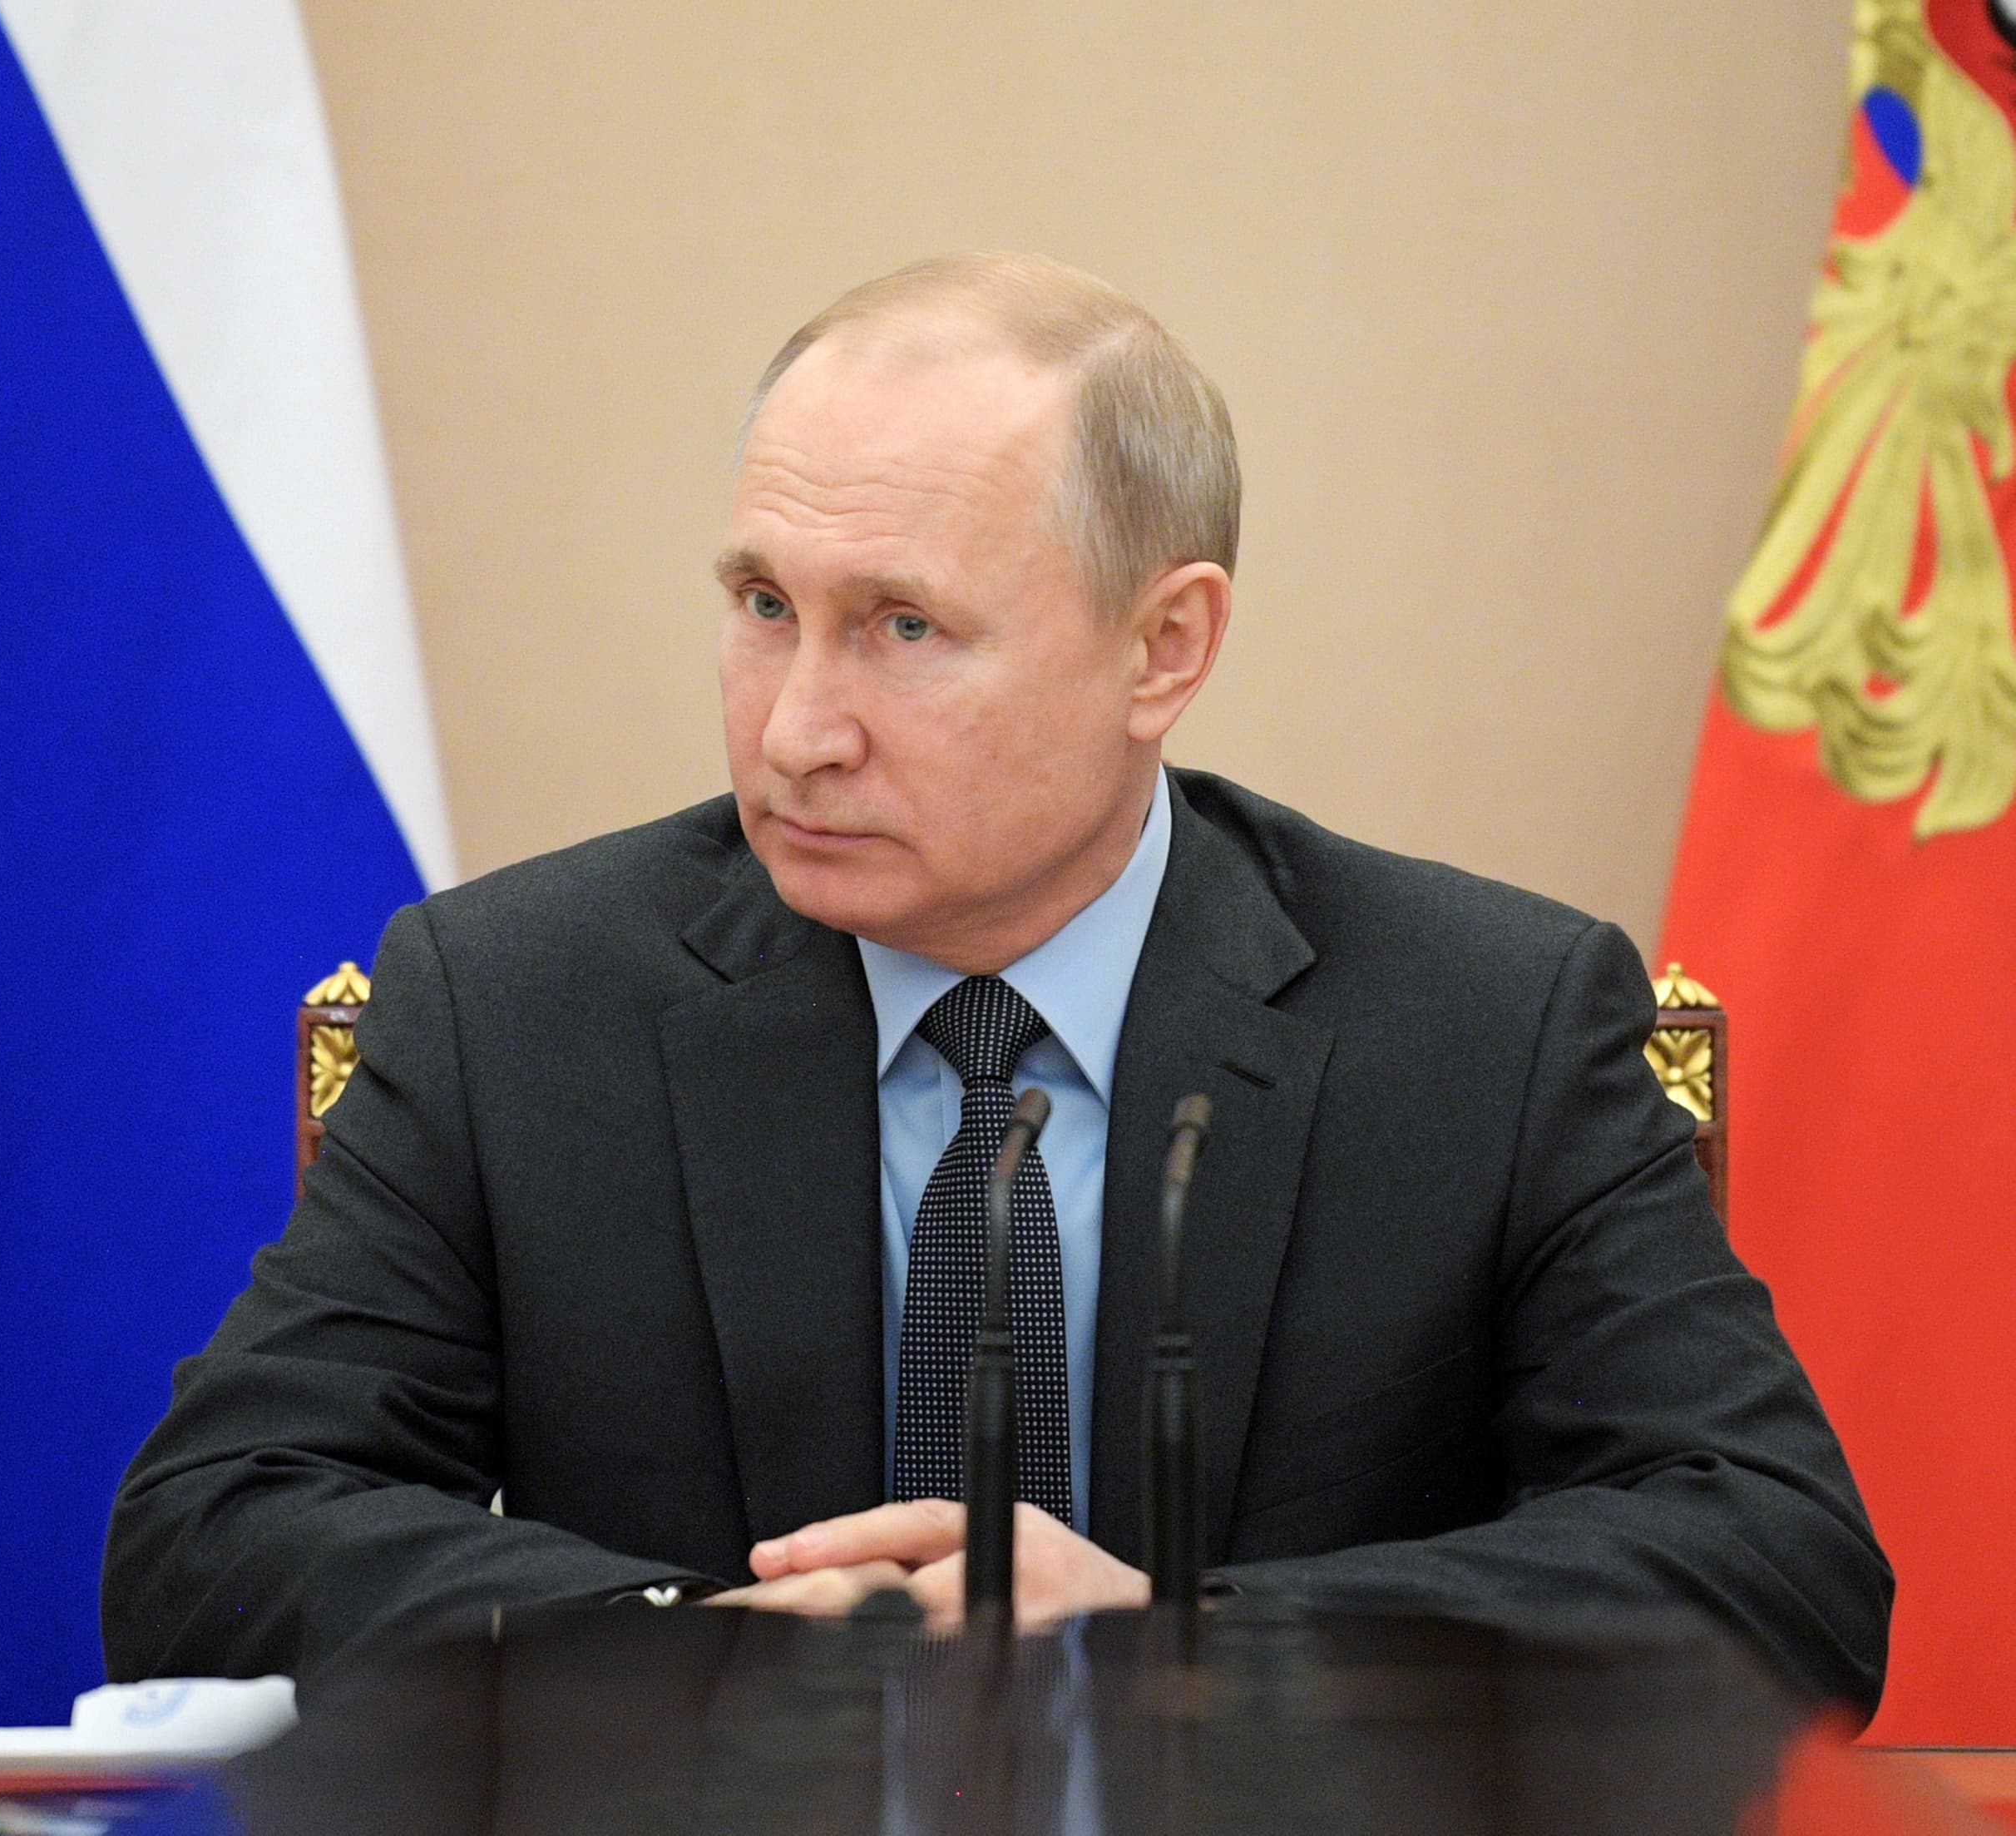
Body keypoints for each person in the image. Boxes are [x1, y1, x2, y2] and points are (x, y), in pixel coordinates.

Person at [101, 254, 1890, 1710]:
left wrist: (1193, 1639)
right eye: (758, 605)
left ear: (1162, 646)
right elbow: (210, 1539)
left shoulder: (1481, 1024)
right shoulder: (516, 1007)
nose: (797, 728)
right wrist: (684, 1640)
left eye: (903, 627)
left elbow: (1774, 1571)